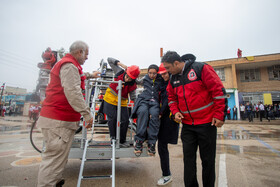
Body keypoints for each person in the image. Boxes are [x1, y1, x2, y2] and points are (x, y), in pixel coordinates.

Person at [36, 41, 100, 187]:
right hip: (58, 121)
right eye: (87, 54)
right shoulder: (69, 66)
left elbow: (78, 76)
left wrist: (91, 75)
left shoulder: (69, 65)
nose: (87, 58)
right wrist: (87, 114)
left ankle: (55, 182)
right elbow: (73, 92)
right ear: (80, 52)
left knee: (58, 158)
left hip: (58, 120)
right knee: (53, 160)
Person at [161, 51, 227, 187]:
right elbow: (171, 98)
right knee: (188, 161)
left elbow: (218, 91)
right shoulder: (173, 79)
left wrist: (220, 114)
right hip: (187, 126)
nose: (166, 71)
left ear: (176, 63)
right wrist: (175, 112)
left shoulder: (201, 69)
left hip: (207, 124)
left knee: (208, 161)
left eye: (168, 68)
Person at [103, 57, 140, 147]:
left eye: (130, 79)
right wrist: (121, 64)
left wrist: (137, 107)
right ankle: (113, 139)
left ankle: (122, 140)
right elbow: (109, 59)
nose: (127, 79)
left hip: (122, 101)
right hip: (110, 98)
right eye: (127, 76)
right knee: (112, 118)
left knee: (125, 120)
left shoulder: (133, 85)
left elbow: (133, 97)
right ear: (126, 72)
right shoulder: (119, 71)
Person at [131, 64, 164, 156]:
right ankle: (139, 141)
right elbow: (136, 81)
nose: (152, 75)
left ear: (157, 73)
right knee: (142, 112)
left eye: (154, 73)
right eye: (150, 73)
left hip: (155, 103)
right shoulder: (144, 78)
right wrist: (128, 70)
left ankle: (152, 143)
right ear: (148, 72)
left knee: (155, 115)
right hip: (144, 100)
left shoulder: (160, 79)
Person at [156, 63, 179, 185]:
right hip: (162, 117)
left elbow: (168, 101)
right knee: (161, 146)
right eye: (162, 74)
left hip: (169, 118)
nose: (163, 75)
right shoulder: (161, 83)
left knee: (162, 146)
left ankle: (166, 175)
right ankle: (166, 173)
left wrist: (160, 113)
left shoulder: (175, 82)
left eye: (165, 73)